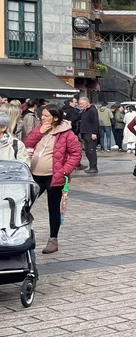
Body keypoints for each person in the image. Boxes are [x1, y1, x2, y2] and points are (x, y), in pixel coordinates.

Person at [22, 105, 82, 255]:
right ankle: (21, 234)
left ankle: (53, 240)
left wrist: (64, 171)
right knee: (23, 205)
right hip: (33, 175)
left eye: (46, 116)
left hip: (54, 176)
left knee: (53, 208)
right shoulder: (40, 129)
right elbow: (26, 144)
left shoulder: (67, 133)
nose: (42, 118)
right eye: (42, 115)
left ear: (55, 117)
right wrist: (39, 132)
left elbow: (76, 153)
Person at [77, 97, 99, 174]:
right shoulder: (84, 111)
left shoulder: (92, 110)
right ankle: (91, 166)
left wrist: (94, 133)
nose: (80, 105)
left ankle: (94, 167)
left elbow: (95, 122)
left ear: (87, 103)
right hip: (85, 133)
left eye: (81, 104)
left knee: (91, 151)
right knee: (87, 151)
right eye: (79, 104)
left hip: (90, 133)